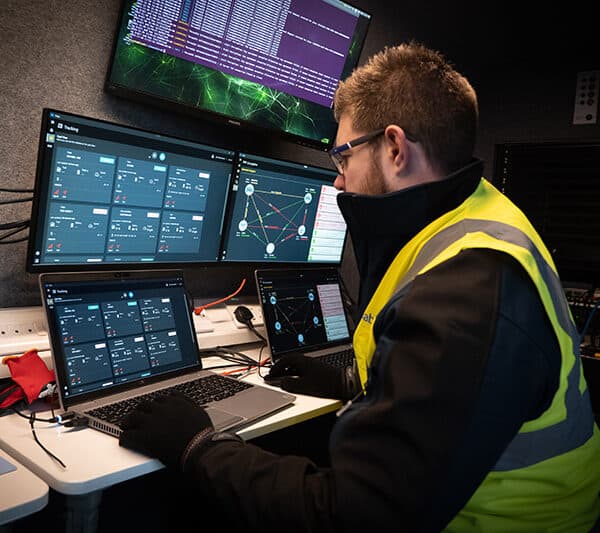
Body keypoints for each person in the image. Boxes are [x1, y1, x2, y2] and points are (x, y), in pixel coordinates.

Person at [119, 41, 600, 532]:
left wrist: (199, 448)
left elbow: (350, 517)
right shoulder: (476, 213)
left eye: (342, 156)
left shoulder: (464, 294)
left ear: (394, 148)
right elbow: (465, 398)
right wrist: (350, 383)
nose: (338, 183)